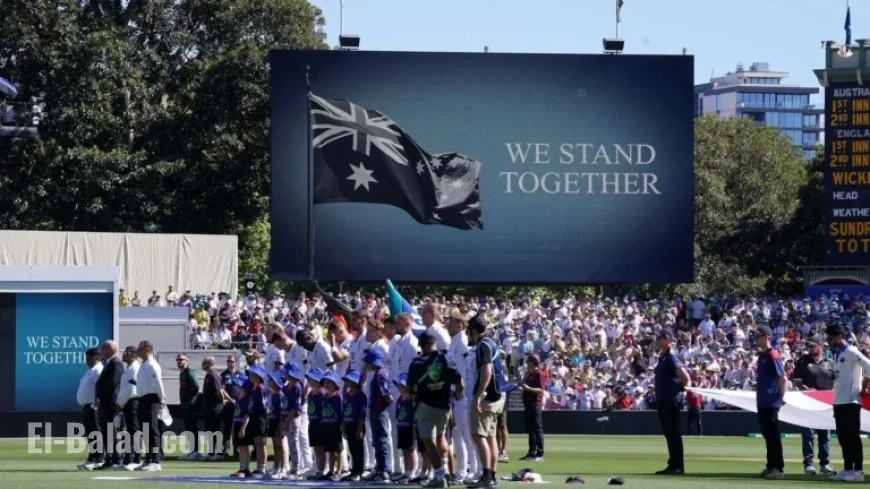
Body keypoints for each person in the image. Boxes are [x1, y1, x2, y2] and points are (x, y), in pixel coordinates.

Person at [407, 331, 464, 489]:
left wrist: (414, 396)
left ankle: (439, 476)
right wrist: (457, 396)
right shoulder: (446, 358)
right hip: (444, 407)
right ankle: (446, 470)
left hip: (425, 406)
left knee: (429, 442)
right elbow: (460, 383)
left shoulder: (417, 363)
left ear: (423, 346)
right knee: (441, 437)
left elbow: (409, 388)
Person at [827, 324, 870, 482]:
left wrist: (864, 387)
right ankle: (847, 469)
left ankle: (858, 471)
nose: (828, 340)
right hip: (839, 401)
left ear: (839, 337)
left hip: (851, 401)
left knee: (853, 437)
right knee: (843, 438)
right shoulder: (838, 354)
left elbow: (869, 367)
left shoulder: (851, 351)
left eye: (830, 337)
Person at [468, 315, 506, 488]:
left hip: (487, 398)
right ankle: (492, 476)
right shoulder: (491, 342)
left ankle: (486, 476)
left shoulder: (482, 345)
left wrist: (478, 396)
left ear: (473, 330)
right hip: (498, 396)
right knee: (490, 436)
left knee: (478, 435)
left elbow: (487, 372)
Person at [792, 335, 836, 475]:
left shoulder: (830, 363)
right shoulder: (802, 362)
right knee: (808, 435)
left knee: (825, 435)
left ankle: (825, 464)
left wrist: (831, 394)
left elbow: (836, 382)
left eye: (812, 346)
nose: (810, 349)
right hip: (808, 404)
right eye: (808, 346)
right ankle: (808, 465)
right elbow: (797, 382)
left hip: (825, 405)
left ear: (820, 346)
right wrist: (808, 391)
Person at [653, 328, 690, 476]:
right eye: (658, 337)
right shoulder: (662, 357)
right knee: (669, 433)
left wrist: (680, 390)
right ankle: (672, 464)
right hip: (663, 400)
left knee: (673, 434)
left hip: (670, 400)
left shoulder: (671, 357)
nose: (658, 340)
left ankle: (678, 465)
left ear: (669, 340)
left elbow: (685, 377)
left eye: (662, 337)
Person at [447, 314, 476, 484]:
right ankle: (461, 470)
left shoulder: (464, 342)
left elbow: (467, 368)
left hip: (462, 395)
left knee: (467, 435)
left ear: (460, 324)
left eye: (451, 322)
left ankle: (474, 469)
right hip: (454, 394)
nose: (448, 324)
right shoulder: (454, 343)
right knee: (457, 435)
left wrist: (462, 388)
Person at [754, 326, 786, 480]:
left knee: (773, 435)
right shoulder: (763, 356)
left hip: (771, 402)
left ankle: (778, 468)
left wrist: (781, 396)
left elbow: (782, 377)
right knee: (768, 435)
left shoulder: (773, 355)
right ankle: (771, 465)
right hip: (763, 402)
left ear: (766, 337)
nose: (755, 339)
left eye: (758, 336)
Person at [365, 349, 394, 482]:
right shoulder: (378, 374)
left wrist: (380, 407)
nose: (367, 364)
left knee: (381, 440)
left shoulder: (380, 375)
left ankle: (384, 470)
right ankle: (379, 468)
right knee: (377, 440)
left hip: (379, 411)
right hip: (375, 411)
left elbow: (387, 395)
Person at [94, 340, 124, 470]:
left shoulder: (116, 363)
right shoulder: (109, 363)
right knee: (107, 432)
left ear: (110, 349)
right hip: (105, 404)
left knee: (112, 432)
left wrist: (102, 398)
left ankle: (116, 458)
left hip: (110, 404)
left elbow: (113, 384)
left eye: (103, 348)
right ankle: (110, 458)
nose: (101, 351)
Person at [135, 341, 165, 472]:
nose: (137, 351)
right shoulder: (144, 365)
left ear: (147, 349)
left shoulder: (152, 365)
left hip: (152, 400)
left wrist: (162, 398)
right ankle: (148, 459)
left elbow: (158, 383)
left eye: (140, 349)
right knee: (145, 430)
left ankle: (155, 461)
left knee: (152, 430)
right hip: (142, 400)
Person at [76, 347, 104, 471]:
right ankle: (92, 457)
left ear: (96, 357)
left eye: (88, 357)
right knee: (90, 434)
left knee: (95, 433)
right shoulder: (90, 370)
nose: (86, 360)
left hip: (93, 407)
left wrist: (95, 405)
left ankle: (98, 459)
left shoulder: (98, 370)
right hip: (86, 406)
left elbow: (100, 390)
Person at [241, 366, 270, 478]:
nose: (251, 376)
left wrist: (263, 420)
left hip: (260, 417)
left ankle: (262, 467)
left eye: (253, 374)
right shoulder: (253, 388)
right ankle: (259, 466)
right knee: (257, 443)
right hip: (254, 416)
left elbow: (264, 406)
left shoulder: (260, 388)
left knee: (261, 443)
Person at [117, 346, 142, 470]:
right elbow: (123, 389)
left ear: (132, 355)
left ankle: (135, 459)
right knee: (129, 432)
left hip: (132, 402)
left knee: (134, 431)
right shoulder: (128, 369)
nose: (123, 355)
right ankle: (128, 458)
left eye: (125, 353)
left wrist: (120, 403)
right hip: (126, 402)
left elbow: (131, 389)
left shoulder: (135, 368)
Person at [341, 369, 367, 481]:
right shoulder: (347, 395)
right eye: (346, 381)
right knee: (351, 449)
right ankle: (353, 471)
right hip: (349, 425)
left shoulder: (361, 396)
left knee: (358, 450)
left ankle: (358, 472)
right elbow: (345, 411)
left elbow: (362, 414)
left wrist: (359, 430)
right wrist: (344, 428)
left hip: (357, 425)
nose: (347, 383)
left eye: (349, 381)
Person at [393, 373, 419, 484]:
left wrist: (414, 428)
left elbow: (415, 415)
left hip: (409, 427)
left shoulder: (412, 400)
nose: (399, 388)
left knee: (411, 450)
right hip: (401, 427)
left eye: (401, 386)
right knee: (404, 450)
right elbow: (398, 414)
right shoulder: (399, 399)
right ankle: (406, 471)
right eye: (398, 386)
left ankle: (413, 471)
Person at [519, 354, 545, 461]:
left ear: (533, 362)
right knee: (530, 429)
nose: (527, 364)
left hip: (535, 404)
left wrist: (528, 388)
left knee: (537, 428)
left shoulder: (539, 374)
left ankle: (540, 453)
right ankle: (531, 452)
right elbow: (522, 384)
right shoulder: (529, 374)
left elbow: (541, 390)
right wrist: (525, 377)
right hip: (528, 404)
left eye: (528, 362)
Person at [202, 356, 228, 461]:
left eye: (204, 362)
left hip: (215, 408)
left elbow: (219, 392)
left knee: (216, 430)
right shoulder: (208, 375)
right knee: (209, 431)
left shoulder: (214, 375)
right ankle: (211, 452)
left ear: (210, 363)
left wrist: (222, 401)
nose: (203, 364)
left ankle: (219, 452)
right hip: (208, 408)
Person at [282, 364, 305, 479]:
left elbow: (295, 407)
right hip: (287, 417)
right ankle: (293, 468)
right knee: (291, 443)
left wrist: (287, 421)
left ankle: (297, 469)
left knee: (294, 443)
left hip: (293, 418)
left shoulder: (297, 387)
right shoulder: (287, 387)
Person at [320, 371, 345, 480]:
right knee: (329, 450)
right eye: (325, 382)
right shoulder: (325, 396)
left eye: (329, 382)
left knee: (337, 450)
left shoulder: (337, 397)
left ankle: (339, 470)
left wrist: (342, 427)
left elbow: (340, 413)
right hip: (326, 425)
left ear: (335, 384)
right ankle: (330, 470)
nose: (327, 384)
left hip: (335, 426)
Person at [176, 353, 201, 460]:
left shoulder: (189, 371)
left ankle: (196, 451)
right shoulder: (182, 373)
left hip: (190, 405)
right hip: (185, 405)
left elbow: (196, 386)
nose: (179, 361)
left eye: (181, 359)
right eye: (177, 359)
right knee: (188, 428)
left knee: (192, 428)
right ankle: (191, 450)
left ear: (186, 360)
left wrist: (191, 400)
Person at [229, 376, 253, 478]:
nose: (237, 387)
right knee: (240, 447)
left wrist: (243, 428)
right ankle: (241, 467)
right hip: (237, 424)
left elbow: (247, 415)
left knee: (244, 447)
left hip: (243, 425)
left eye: (239, 385)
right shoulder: (240, 398)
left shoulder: (247, 399)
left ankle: (245, 469)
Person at [305, 367, 327, 479]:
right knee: (316, 449)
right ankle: (318, 470)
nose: (309, 380)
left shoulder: (322, 394)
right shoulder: (311, 394)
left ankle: (321, 471)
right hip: (312, 422)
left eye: (311, 378)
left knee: (321, 449)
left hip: (320, 423)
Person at [267, 371, 287, 479]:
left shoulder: (280, 395)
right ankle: (276, 467)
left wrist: (282, 424)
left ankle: (283, 468)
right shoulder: (273, 394)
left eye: (272, 380)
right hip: (273, 421)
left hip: (279, 422)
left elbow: (282, 411)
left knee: (280, 446)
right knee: (275, 446)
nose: (269, 381)